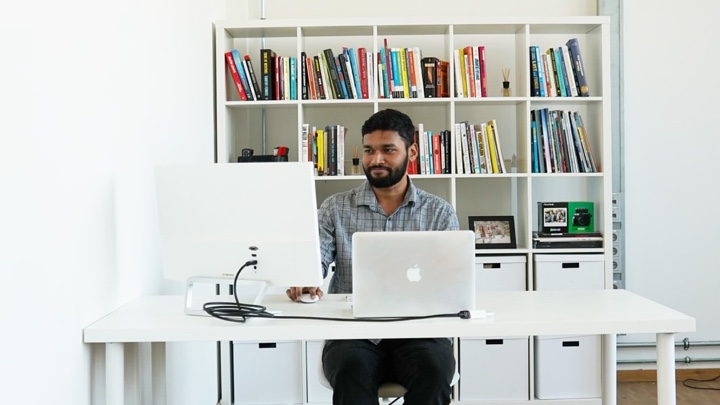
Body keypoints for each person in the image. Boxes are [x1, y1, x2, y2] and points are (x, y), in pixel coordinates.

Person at [287, 109, 459, 405]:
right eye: (369, 150)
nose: (376, 159)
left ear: (412, 152)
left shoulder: (439, 212)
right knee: (352, 372)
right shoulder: (335, 208)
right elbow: (315, 261)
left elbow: (453, 280)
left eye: (388, 150)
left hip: (420, 332)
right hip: (353, 334)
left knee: (433, 373)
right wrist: (306, 279)